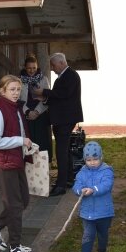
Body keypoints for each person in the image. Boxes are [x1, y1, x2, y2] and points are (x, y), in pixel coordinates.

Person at [0, 75, 37, 252]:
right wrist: (21, 140)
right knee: (14, 205)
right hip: (4, 163)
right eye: (11, 89)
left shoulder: (16, 109)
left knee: (23, 201)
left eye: (18, 90)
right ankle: (15, 247)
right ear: (2, 91)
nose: (15, 93)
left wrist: (26, 144)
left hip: (15, 160)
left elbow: (17, 133)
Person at [33, 53, 83, 196]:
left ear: (61, 63)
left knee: (61, 151)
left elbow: (63, 94)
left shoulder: (71, 75)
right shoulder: (63, 76)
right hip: (61, 119)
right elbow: (57, 97)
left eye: (54, 66)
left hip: (65, 119)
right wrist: (44, 99)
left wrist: (44, 91)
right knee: (64, 150)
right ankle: (67, 179)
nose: (53, 69)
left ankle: (61, 185)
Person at [72, 141, 114, 252]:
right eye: (88, 160)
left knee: (103, 234)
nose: (92, 162)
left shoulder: (107, 171)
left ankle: (102, 251)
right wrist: (80, 190)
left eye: (95, 159)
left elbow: (106, 185)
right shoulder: (82, 172)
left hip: (104, 212)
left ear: (101, 157)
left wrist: (93, 189)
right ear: (85, 160)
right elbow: (76, 185)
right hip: (87, 212)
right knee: (88, 234)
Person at [19, 54, 52, 155]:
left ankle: (43, 167)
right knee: (29, 142)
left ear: (37, 67)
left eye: (34, 68)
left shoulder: (43, 79)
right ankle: (29, 167)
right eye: (29, 68)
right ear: (25, 67)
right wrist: (28, 112)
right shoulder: (19, 80)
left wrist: (37, 112)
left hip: (40, 115)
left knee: (42, 143)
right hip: (27, 115)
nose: (32, 70)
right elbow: (18, 99)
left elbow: (47, 98)